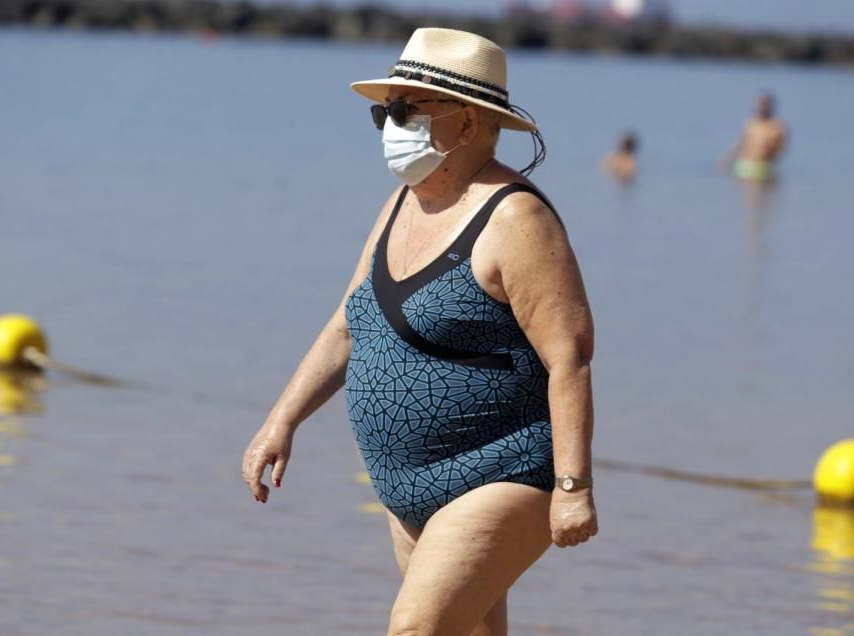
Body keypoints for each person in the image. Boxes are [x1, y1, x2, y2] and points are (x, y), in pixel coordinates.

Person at [242, 28, 598, 636]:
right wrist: (281, 421)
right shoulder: (403, 201)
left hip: (499, 471)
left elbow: (569, 359)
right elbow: (351, 323)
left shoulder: (516, 219)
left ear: (465, 124)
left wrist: (573, 488)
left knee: (416, 630)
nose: (390, 126)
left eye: (406, 110)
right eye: (385, 111)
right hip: (405, 486)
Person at [724, 93, 787, 182]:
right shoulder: (751, 123)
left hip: (763, 167)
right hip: (744, 165)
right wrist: (727, 158)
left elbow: (779, 149)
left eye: (763, 104)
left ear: (770, 106)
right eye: (758, 104)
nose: (760, 107)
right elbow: (741, 142)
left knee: (761, 192)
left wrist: (766, 159)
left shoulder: (777, 126)